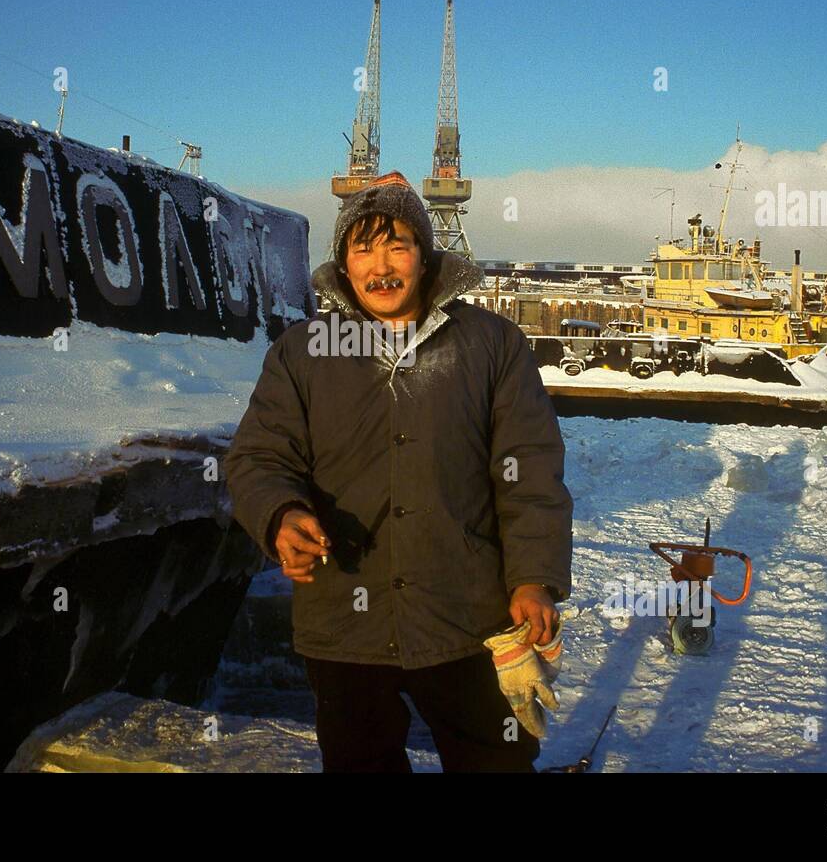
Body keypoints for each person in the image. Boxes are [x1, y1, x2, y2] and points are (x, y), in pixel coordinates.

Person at [224, 171, 573, 772]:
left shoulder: (491, 346)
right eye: (363, 248)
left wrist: (533, 578)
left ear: (424, 254)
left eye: (397, 245)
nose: (381, 266)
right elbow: (259, 457)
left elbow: (530, 473)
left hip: (467, 620)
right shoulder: (303, 352)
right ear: (343, 263)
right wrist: (281, 516)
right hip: (343, 623)